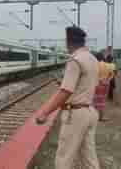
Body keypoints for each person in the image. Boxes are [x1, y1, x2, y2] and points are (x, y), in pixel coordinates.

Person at [35, 26, 100, 169]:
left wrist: (45, 112)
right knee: (89, 157)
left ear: (68, 42)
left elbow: (65, 91)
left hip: (75, 115)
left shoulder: (75, 60)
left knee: (64, 158)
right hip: (89, 112)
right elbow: (88, 84)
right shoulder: (93, 59)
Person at [94, 52, 112, 121]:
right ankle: (101, 117)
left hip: (96, 84)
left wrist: (99, 79)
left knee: (95, 101)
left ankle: (95, 116)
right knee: (102, 101)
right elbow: (111, 75)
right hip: (105, 85)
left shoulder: (94, 65)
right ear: (102, 58)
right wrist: (106, 80)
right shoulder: (107, 65)